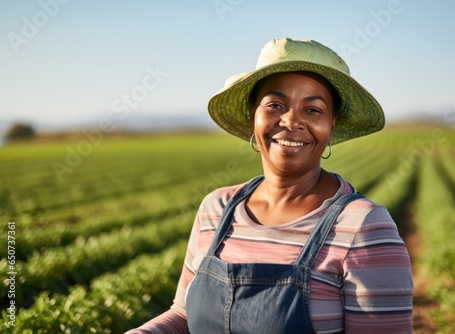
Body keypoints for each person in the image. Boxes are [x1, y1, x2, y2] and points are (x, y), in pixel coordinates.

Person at [126, 38, 413, 333]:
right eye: (275, 105)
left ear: (332, 125)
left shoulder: (363, 226)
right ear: (254, 115)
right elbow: (184, 316)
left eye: (313, 110)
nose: (291, 121)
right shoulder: (217, 208)